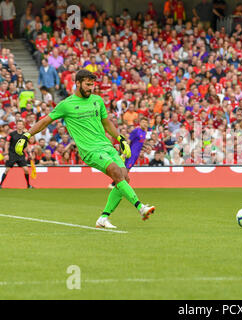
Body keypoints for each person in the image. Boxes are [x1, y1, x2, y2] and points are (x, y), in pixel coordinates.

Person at [14, 70, 156, 229]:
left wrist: (120, 139)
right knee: (117, 172)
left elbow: (107, 123)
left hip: (106, 146)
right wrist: (26, 135)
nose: (91, 88)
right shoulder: (66, 105)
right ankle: (140, 207)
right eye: (88, 85)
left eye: (93, 85)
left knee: (124, 178)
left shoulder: (97, 100)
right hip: (90, 150)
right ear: (78, 83)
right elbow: (45, 121)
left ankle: (103, 218)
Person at [109, 118, 149, 189]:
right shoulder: (136, 131)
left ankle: (115, 183)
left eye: (146, 122)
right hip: (131, 154)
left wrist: (145, 147)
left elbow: (139, 143)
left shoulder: (144, 132)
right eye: (143, 122)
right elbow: (129, 141)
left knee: (126, 169)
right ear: (140, 123)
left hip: (136, 155)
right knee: (126, 169)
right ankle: (114, 184)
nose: (144, 124)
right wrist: (125, 151)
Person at [0, 120, 33, 189]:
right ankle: (1, 184)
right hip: (12, 154)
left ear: (23, 126)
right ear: (16, 126)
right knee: (7, 170)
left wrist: (29, 153)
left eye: (21, 124)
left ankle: (28, 185)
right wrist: (6, 153)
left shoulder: (25, 135)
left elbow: (26, 144)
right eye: (18, 124)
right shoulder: (12, 134)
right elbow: (7, 143)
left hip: (21, 154)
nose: (20, 126)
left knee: (26, 169)